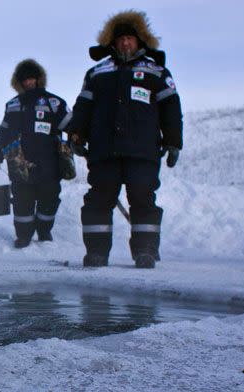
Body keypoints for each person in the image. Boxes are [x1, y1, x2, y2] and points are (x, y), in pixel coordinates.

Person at [67, 10, 183, 268]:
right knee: (98, 200)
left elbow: (171, 109)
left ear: (140, 41)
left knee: (143, 198)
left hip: (142, 151)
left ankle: (146, 251)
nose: (125, 43)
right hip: (103, 150)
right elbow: (83, 107)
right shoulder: (97, 73)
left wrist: (174, 141)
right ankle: (96, 253)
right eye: (120, 39)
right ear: (112, 42)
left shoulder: (157, 72)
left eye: (130, 38)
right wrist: (76, 134)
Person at [0, 59, 71, 248]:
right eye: (26, 80)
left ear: (39, 80)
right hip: (19, 163)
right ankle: (23, 236)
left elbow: (72, 127)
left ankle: (44, 231)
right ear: (20, 83)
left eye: (33, 79)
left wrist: (80, 142)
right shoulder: (13, 105)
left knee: (49, 197)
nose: (30, 83)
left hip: (50, 162)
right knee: (23, 200)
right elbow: (4, 135)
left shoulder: (54, 103)